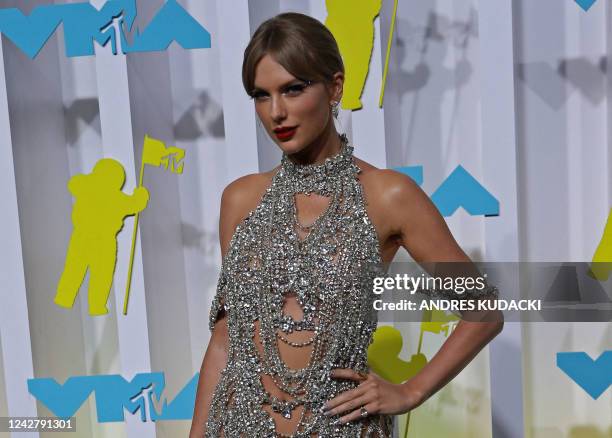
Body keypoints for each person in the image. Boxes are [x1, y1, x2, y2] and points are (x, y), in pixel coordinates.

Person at [189, 12, 503, 438]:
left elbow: (483, 311)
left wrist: (409, 392)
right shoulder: (240, 199)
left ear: (334, 87)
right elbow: (227, 339)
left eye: (293, 89)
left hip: (340, 428)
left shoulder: (388, 195)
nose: (276, 112)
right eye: (262, 96)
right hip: (238, 425)